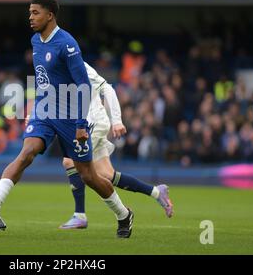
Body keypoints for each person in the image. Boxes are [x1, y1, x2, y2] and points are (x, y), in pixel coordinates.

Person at [0, 0, 134, 238]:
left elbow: (83, 84)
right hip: (44, 110)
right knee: (26, 153)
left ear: (50, 15)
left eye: (35, 13)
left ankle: (123, 214)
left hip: (71, 117)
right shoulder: (35, 40)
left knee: (89, 176)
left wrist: (81, 125)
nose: (30, 17)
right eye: (29, 13)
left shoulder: (67, 44)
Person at [58, 62, 173, 229]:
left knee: (70, 161)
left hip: (93, 122)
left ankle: (80, 215)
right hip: (84, 124)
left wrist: (117, 121)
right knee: (106, 174)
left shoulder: (76, 64)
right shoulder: (53, 69)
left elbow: (108, 89)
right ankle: (156, 192)